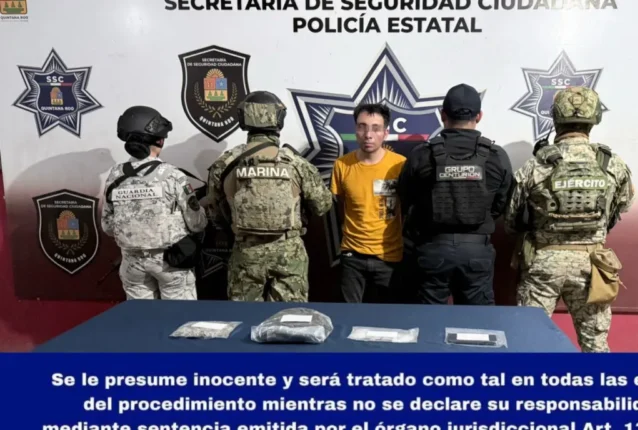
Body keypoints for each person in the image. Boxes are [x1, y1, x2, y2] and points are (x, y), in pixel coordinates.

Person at [504, 86, 636, 353]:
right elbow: (622, 205)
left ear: (556, 118)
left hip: (543, 263)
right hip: (592, 265)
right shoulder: (611, 163)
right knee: (595, 346)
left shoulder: (537, 164)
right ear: (594, 118)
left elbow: (511, 218)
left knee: (528, 344)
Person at [205, 90, 333, 302]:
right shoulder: (296, 163)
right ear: (279, 119)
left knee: (243, 317)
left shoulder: (225, 164)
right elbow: (322, 205)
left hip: (246, 250)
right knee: (288, 317)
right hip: (289, 253)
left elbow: (216, 213)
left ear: (243, 119)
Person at [397, 83, 514, 305]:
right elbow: (501, 203)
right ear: (479, 116)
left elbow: (406, 198)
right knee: (477, 322)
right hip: (476, 251)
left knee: (429, 320)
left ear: (443, 115)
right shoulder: (496, 156)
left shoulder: (422, 154)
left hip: (432, 249)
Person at [101, 106, 208, 300]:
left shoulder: (115, 175)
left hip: (132, 264)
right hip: (171, 262)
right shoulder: (172, 175)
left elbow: (108, 226)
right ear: (160, 140)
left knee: (142, 316)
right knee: (179, 316)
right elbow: (196, 223)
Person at [330, 103, 407, 303]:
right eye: (362, 127)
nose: (368, 135)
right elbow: (341, 207)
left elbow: (408, 208)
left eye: (375, 128)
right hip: (352, 257)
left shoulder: (401, 165)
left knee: (388, 318)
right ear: (355, 130)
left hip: (390, 258)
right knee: (349, 317)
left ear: (385, 133)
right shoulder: (341, 165)